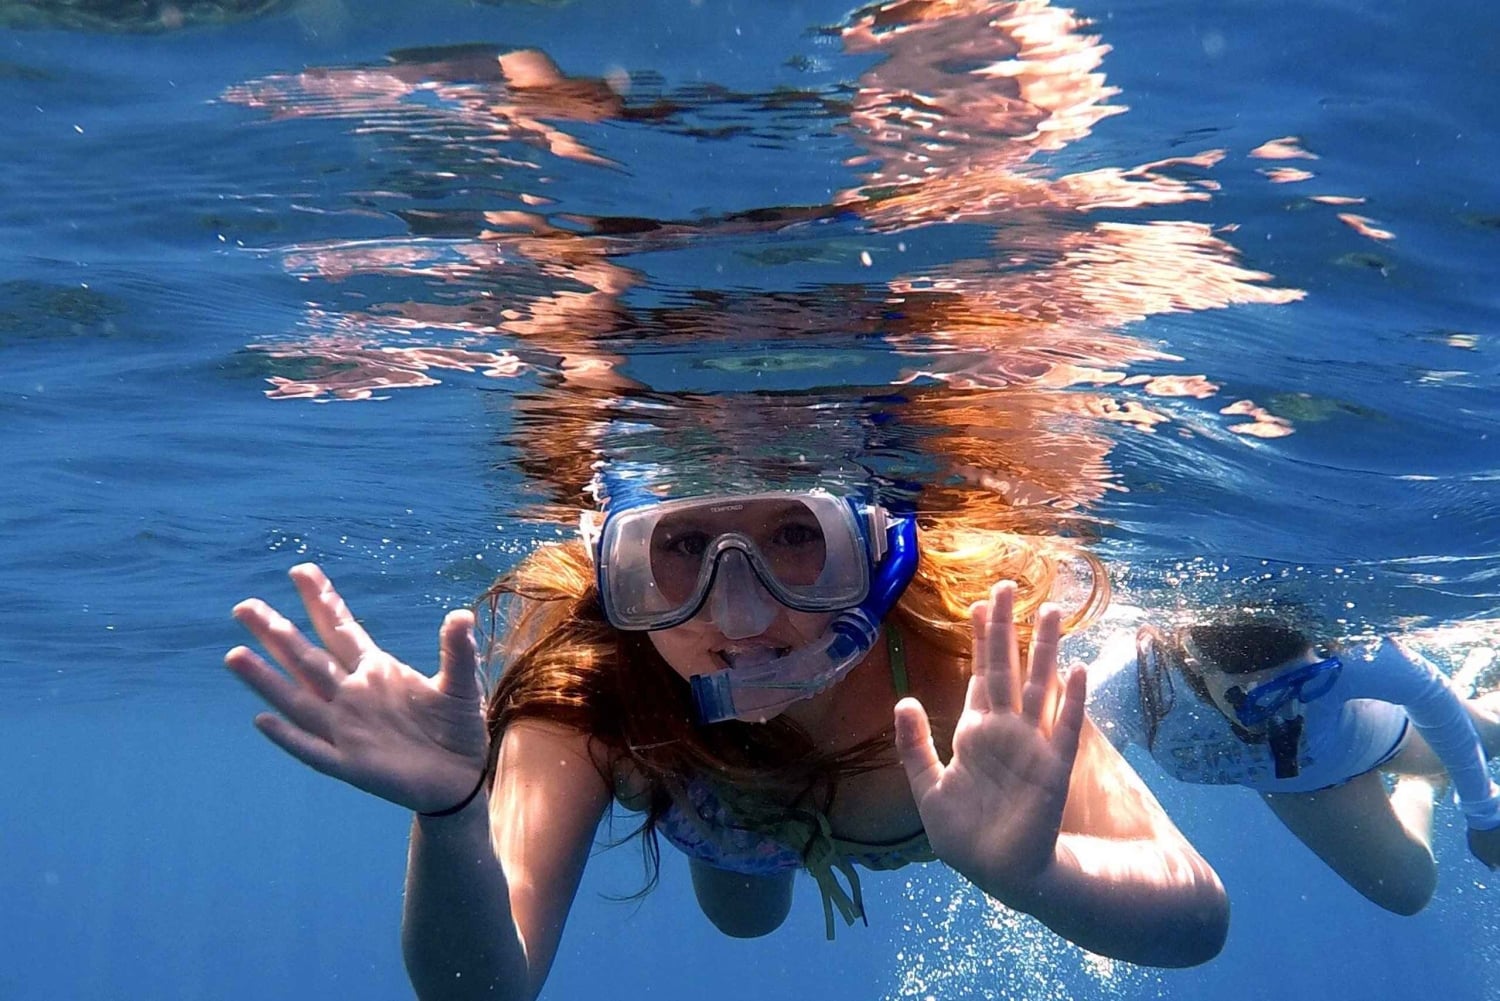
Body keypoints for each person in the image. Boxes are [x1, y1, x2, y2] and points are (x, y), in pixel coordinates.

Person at [225, 469, 1231, 1000]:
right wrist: (448, 814)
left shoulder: (973, 666)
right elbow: (482, 994)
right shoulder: (589, 702)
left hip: (852, 797)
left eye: (798, 537)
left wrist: (1039, 874)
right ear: (617, 572)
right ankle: (754, 844)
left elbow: (1198, 920)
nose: (743, 617)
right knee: (743, 912)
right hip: (707, 807)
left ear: (876, 555)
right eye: (682, 548)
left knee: (746, 908)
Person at [1084, 612, 1500, 916]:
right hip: (1305, 788)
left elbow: (1433, 700)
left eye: (1306, 683)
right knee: (1409, 892)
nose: (1290, 714)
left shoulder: (1351, 653)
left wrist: (1483, 815)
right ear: (1196, 665)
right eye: (1263, 700)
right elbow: (1077, 784)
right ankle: (1424, 785)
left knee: (1493, 734)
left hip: (1391, 738)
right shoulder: (1130, 688)